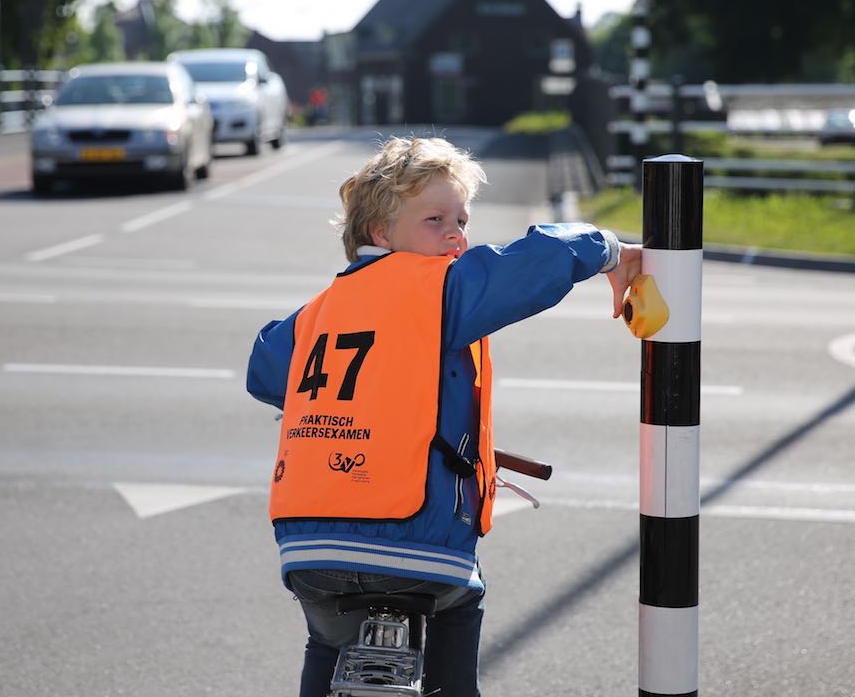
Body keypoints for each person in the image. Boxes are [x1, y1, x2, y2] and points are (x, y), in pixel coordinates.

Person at [246, 136, 642, 697]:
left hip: (307, 545)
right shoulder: (440, 289)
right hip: (418, 541)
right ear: (381, 232)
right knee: (460, 603)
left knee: (326, 641)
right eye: (435, 220)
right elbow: (529, 265)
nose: (455, 235)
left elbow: (264, 371)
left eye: (462, 220)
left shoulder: (314, 314)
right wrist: (608, 248)